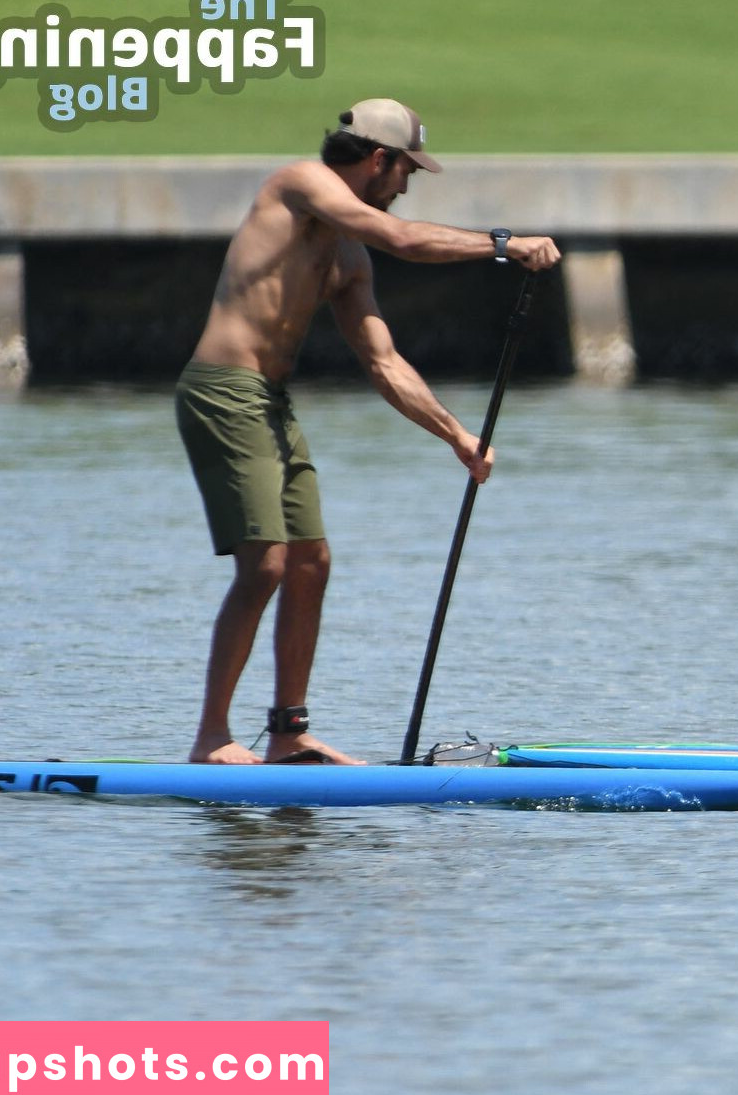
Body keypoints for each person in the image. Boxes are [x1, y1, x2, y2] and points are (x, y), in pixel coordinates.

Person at [176, 98, 561, 764]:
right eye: (406, 171)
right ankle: (211, 737)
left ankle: (289, 733)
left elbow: (383, 363)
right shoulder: (297, 186)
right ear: (378, 160)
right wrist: (502, 244)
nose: (407, 186)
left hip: (270, 401)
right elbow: (405, 239)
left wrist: (456, 436)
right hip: (222, 393)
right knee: (266, 562)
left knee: (310, 563)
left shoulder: (348, 256)